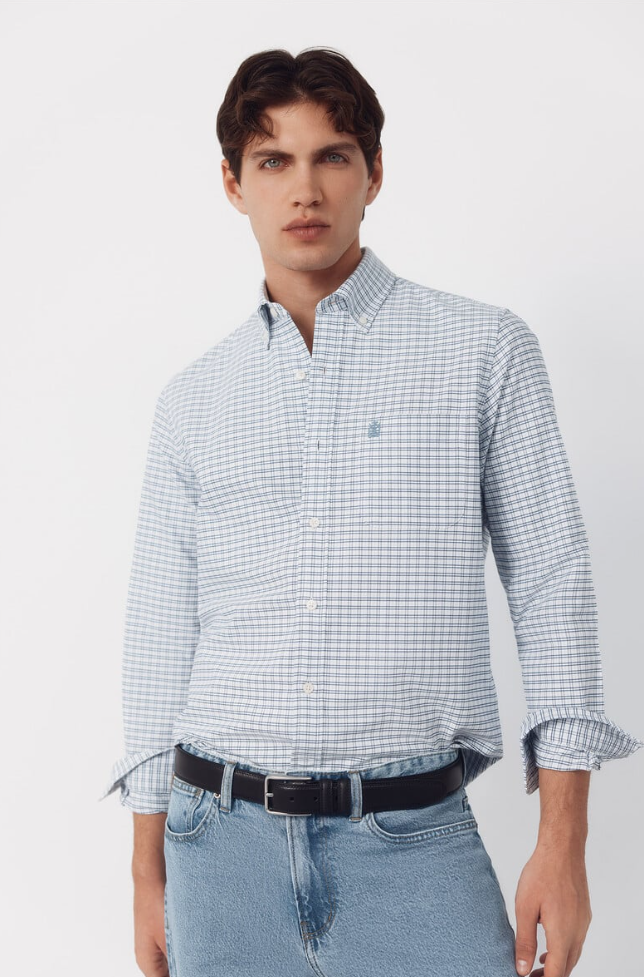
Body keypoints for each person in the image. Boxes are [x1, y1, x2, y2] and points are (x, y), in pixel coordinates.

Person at [99, 46, 643, 977]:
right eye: (273, 160)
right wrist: (146, 864)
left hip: (414, 847)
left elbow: (552, 588)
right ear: (233, 184)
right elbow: (159, 632)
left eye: (333, 156)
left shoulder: (483, 352)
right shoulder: (193, 400)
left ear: (374, 172)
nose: (304, 188)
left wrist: (565, 842)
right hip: (215, 851)